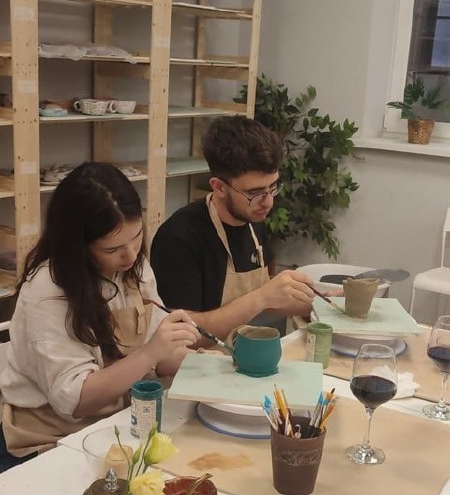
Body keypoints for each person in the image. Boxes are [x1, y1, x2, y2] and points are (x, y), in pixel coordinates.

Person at [0, 162, 199, 470]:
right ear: (78, 246)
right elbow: (75, 401)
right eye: (112, 248)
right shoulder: (47, 290)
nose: (131, 254)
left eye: (137, 236)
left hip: (116, 425)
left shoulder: (132, 267)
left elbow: (160, 357)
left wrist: (209, 365)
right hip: (52, 438)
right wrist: (150, 353)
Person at [150, 115, 314, 342]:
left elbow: (267, 296)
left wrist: (325, 302)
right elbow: (180, 335)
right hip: (196, 359)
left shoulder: (253, 218)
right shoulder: (178, 239)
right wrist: (261, 298)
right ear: (218, 187)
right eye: (254, 192)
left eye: (273, 187)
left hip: (242, 351)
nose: (268, 202)